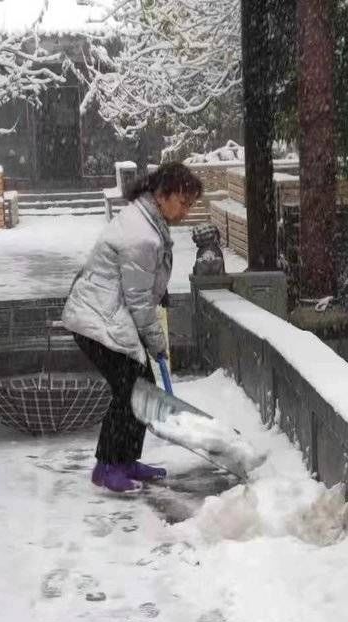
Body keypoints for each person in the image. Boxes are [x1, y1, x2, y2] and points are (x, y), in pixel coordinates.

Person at [62, 162, 203, 493]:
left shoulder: (145, 220)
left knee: (142, 390)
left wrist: (159, 288)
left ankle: (124, 460)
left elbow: (137, 282)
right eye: (183, 202)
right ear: (162, 194)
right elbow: (137, 300)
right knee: (131, 392)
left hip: (108, 315)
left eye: (190, 204)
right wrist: (157, 343)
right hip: (98, 321)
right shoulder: (141, 233)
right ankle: (108, 466)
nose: (186, 211)